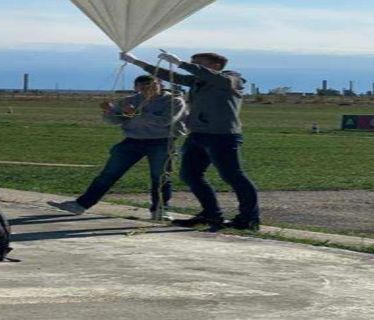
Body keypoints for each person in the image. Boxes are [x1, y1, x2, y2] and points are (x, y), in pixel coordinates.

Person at [120, 50, 259, 231]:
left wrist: (181, 63)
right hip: (198, 135)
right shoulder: (198, 81)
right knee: (190, 175)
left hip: (222, 136)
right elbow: (171, 76)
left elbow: (218, 80)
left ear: (215, 66)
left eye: (197, 64)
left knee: (233, 176)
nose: (192, 68)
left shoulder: (232, 79)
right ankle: (211, 214)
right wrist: (137, 62)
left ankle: (248, 219)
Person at [48, 75, 187, 219]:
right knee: (108, 174)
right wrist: (108, 111)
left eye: (152, 85)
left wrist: (136, 114)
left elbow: (165, 121)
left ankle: (160, 211)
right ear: (136, 88)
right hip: (133, 141)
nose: (148, 89)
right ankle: (80, 205)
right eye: (143, 86)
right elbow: (115, 120)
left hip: (161, 142)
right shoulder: (129, 100)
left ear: (160, 84)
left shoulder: (174, 101)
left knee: (160, 177)